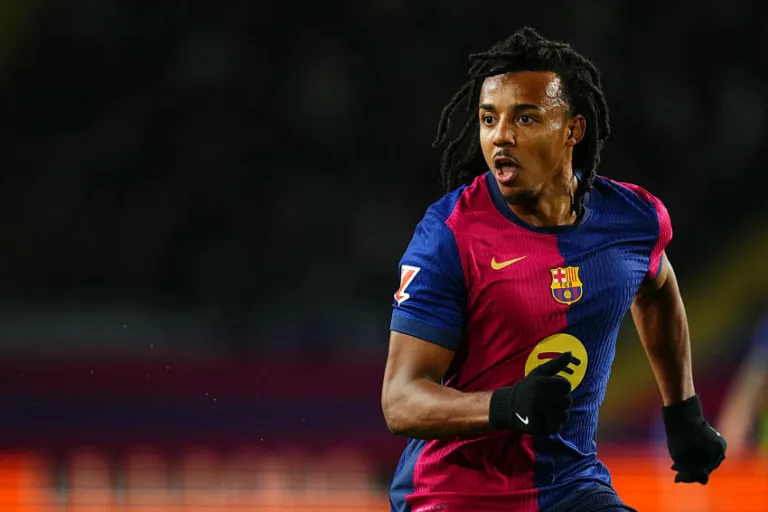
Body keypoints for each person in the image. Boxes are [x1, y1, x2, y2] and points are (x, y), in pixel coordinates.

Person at [380, 27, 727, 512]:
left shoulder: (633, 221)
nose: (501, 135)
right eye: (488, 119)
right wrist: (506, 405)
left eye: (525, 117)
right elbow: (400, 400)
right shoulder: (449, 235)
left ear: (573, 130)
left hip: (570, 487)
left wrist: (683, 412)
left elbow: (657, 287)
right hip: (453, 494)